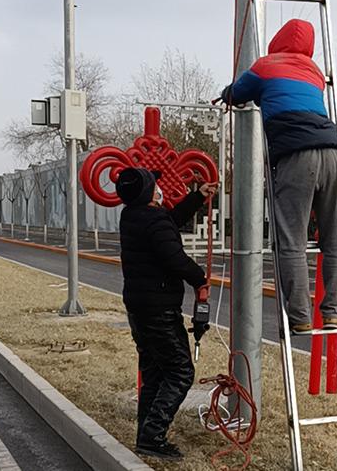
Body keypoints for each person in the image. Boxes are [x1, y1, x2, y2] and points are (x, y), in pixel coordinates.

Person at [220, 19, 337, 333]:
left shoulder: (266, 65)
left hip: (295, 155)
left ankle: (301, 317)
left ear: (278, 39)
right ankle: (333, 311)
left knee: (292, 239)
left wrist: (226, 94)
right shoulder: (316, 72)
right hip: (333, 153)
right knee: (335, 239)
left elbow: (236, 93)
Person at [115, 167, 218, 460]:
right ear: (148, 193)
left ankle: (145, 434)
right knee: (180, 372)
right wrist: (200, 278)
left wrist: (196, 197)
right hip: (159, 310)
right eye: (155, 185)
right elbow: (174, 257)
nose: (160, 189)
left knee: (154, 372)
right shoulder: (153, 221)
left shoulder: (132, 217)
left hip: (138, 307)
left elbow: (168, 222)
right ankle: (152, 436)